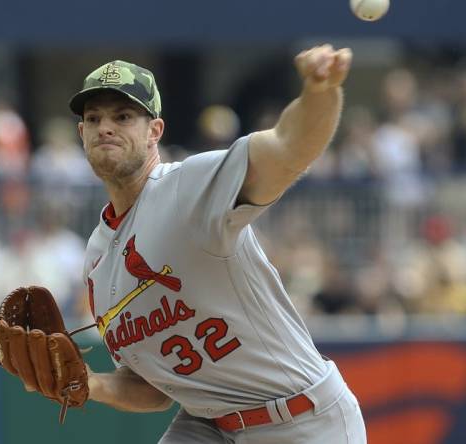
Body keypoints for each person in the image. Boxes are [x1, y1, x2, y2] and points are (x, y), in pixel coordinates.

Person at [67, 45, 366, 443]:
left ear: (155, 131)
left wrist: (319, 91)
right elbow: (154, 388)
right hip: (206, 426)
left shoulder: (189, 189)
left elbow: (288, 148)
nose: (105, 127)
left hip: (300, 419)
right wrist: (91, 383)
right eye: (94, 118)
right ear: (82, 133)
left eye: (123, 116)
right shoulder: (97, 257)